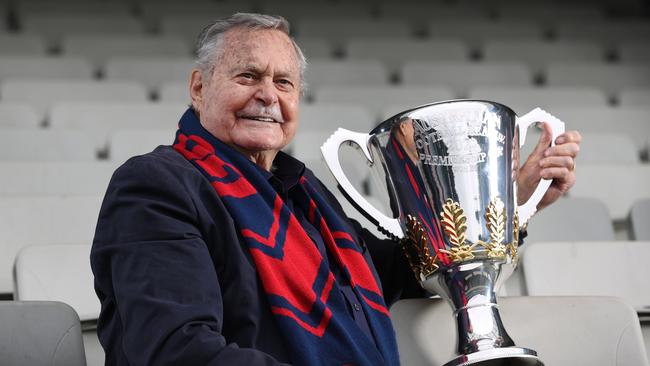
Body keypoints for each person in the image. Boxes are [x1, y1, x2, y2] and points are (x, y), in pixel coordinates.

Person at [91, 13, 582, 366]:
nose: (268, 95)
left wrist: (510, 198)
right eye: (248, 75)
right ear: (199, 87)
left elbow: (394, 270)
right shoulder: (156, 186)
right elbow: (177, 351)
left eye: (284, 82)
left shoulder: (301, 192)